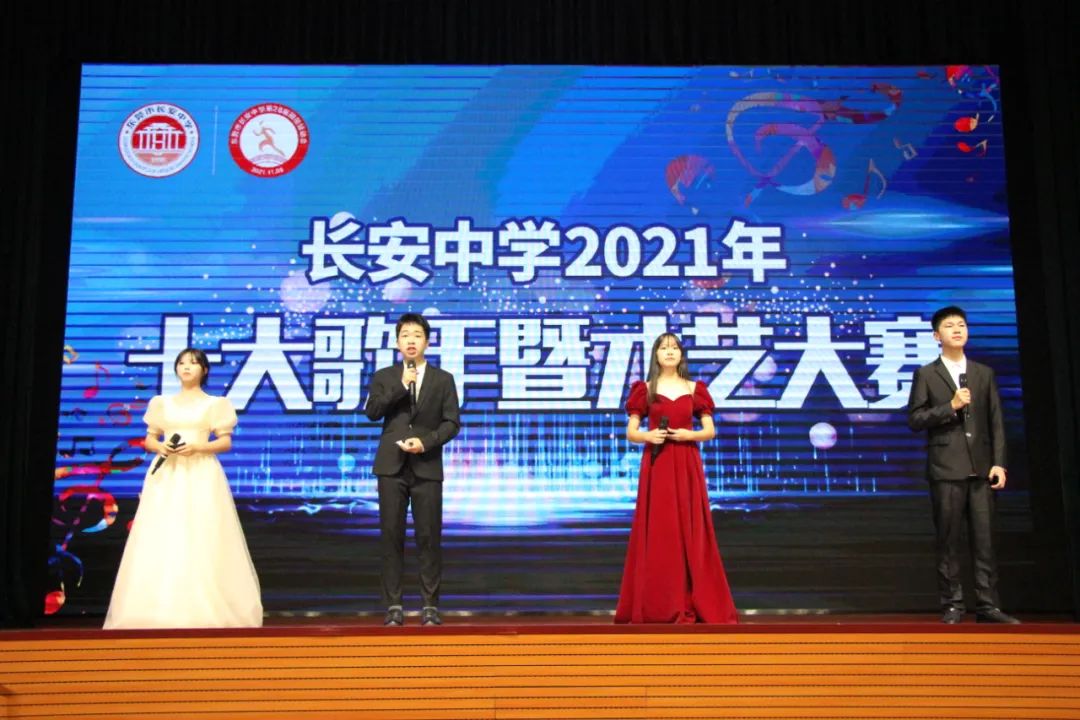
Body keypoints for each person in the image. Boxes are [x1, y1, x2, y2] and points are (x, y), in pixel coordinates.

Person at [104, 348, 262, 629]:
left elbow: (225, 442)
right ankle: (154, 608)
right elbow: (149, 440)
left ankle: (205, 608)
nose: (186, 367)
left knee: (202, 533)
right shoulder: (160, 403)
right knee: (162, 533)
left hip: (201, 472)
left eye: (193, 363)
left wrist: (198, 446)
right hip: (167, 472)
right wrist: (161, 446)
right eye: (182, 363)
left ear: (204, 370)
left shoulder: (216, 404)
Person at [615, 333, 738, 624]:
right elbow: (631, 432)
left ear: (681, 355)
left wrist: (688, 435)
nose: (669, 352)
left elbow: (709, 431)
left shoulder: (695, 388)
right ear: (656, 355)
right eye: (663, 348)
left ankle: (695, 599)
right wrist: (648, 436)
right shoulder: (645, 389)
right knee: (660, 528)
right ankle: (658, 604)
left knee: (690, 528)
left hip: (686, 461)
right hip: (657, 462)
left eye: (674, 348)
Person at [907, 306, 1019, 624]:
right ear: (936, 335)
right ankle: (953, 604)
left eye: (961, 325)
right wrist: (950, 406)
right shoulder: (926, 374)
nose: (957, 329)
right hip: (946, 469)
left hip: (982, 470)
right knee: (949, 540)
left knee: (985, 541)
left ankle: (987, 605)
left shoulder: (983, 373)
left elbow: (996, 422)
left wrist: (999, 464)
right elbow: (915, 419)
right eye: (949, 325)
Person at [364, 313, 460, 626]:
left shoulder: (443, 379)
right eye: (405, 335)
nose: (411, 340)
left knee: (429, 537)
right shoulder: (385, 376)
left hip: (426, 466)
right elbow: (372, 412)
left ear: (427, 342)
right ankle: (393, 606)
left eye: (417, 335)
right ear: (397, 342)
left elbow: (452, 423)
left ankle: (430, 605)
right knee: (391, 537)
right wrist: (401, 385)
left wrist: (426, 442)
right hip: (391, 468)